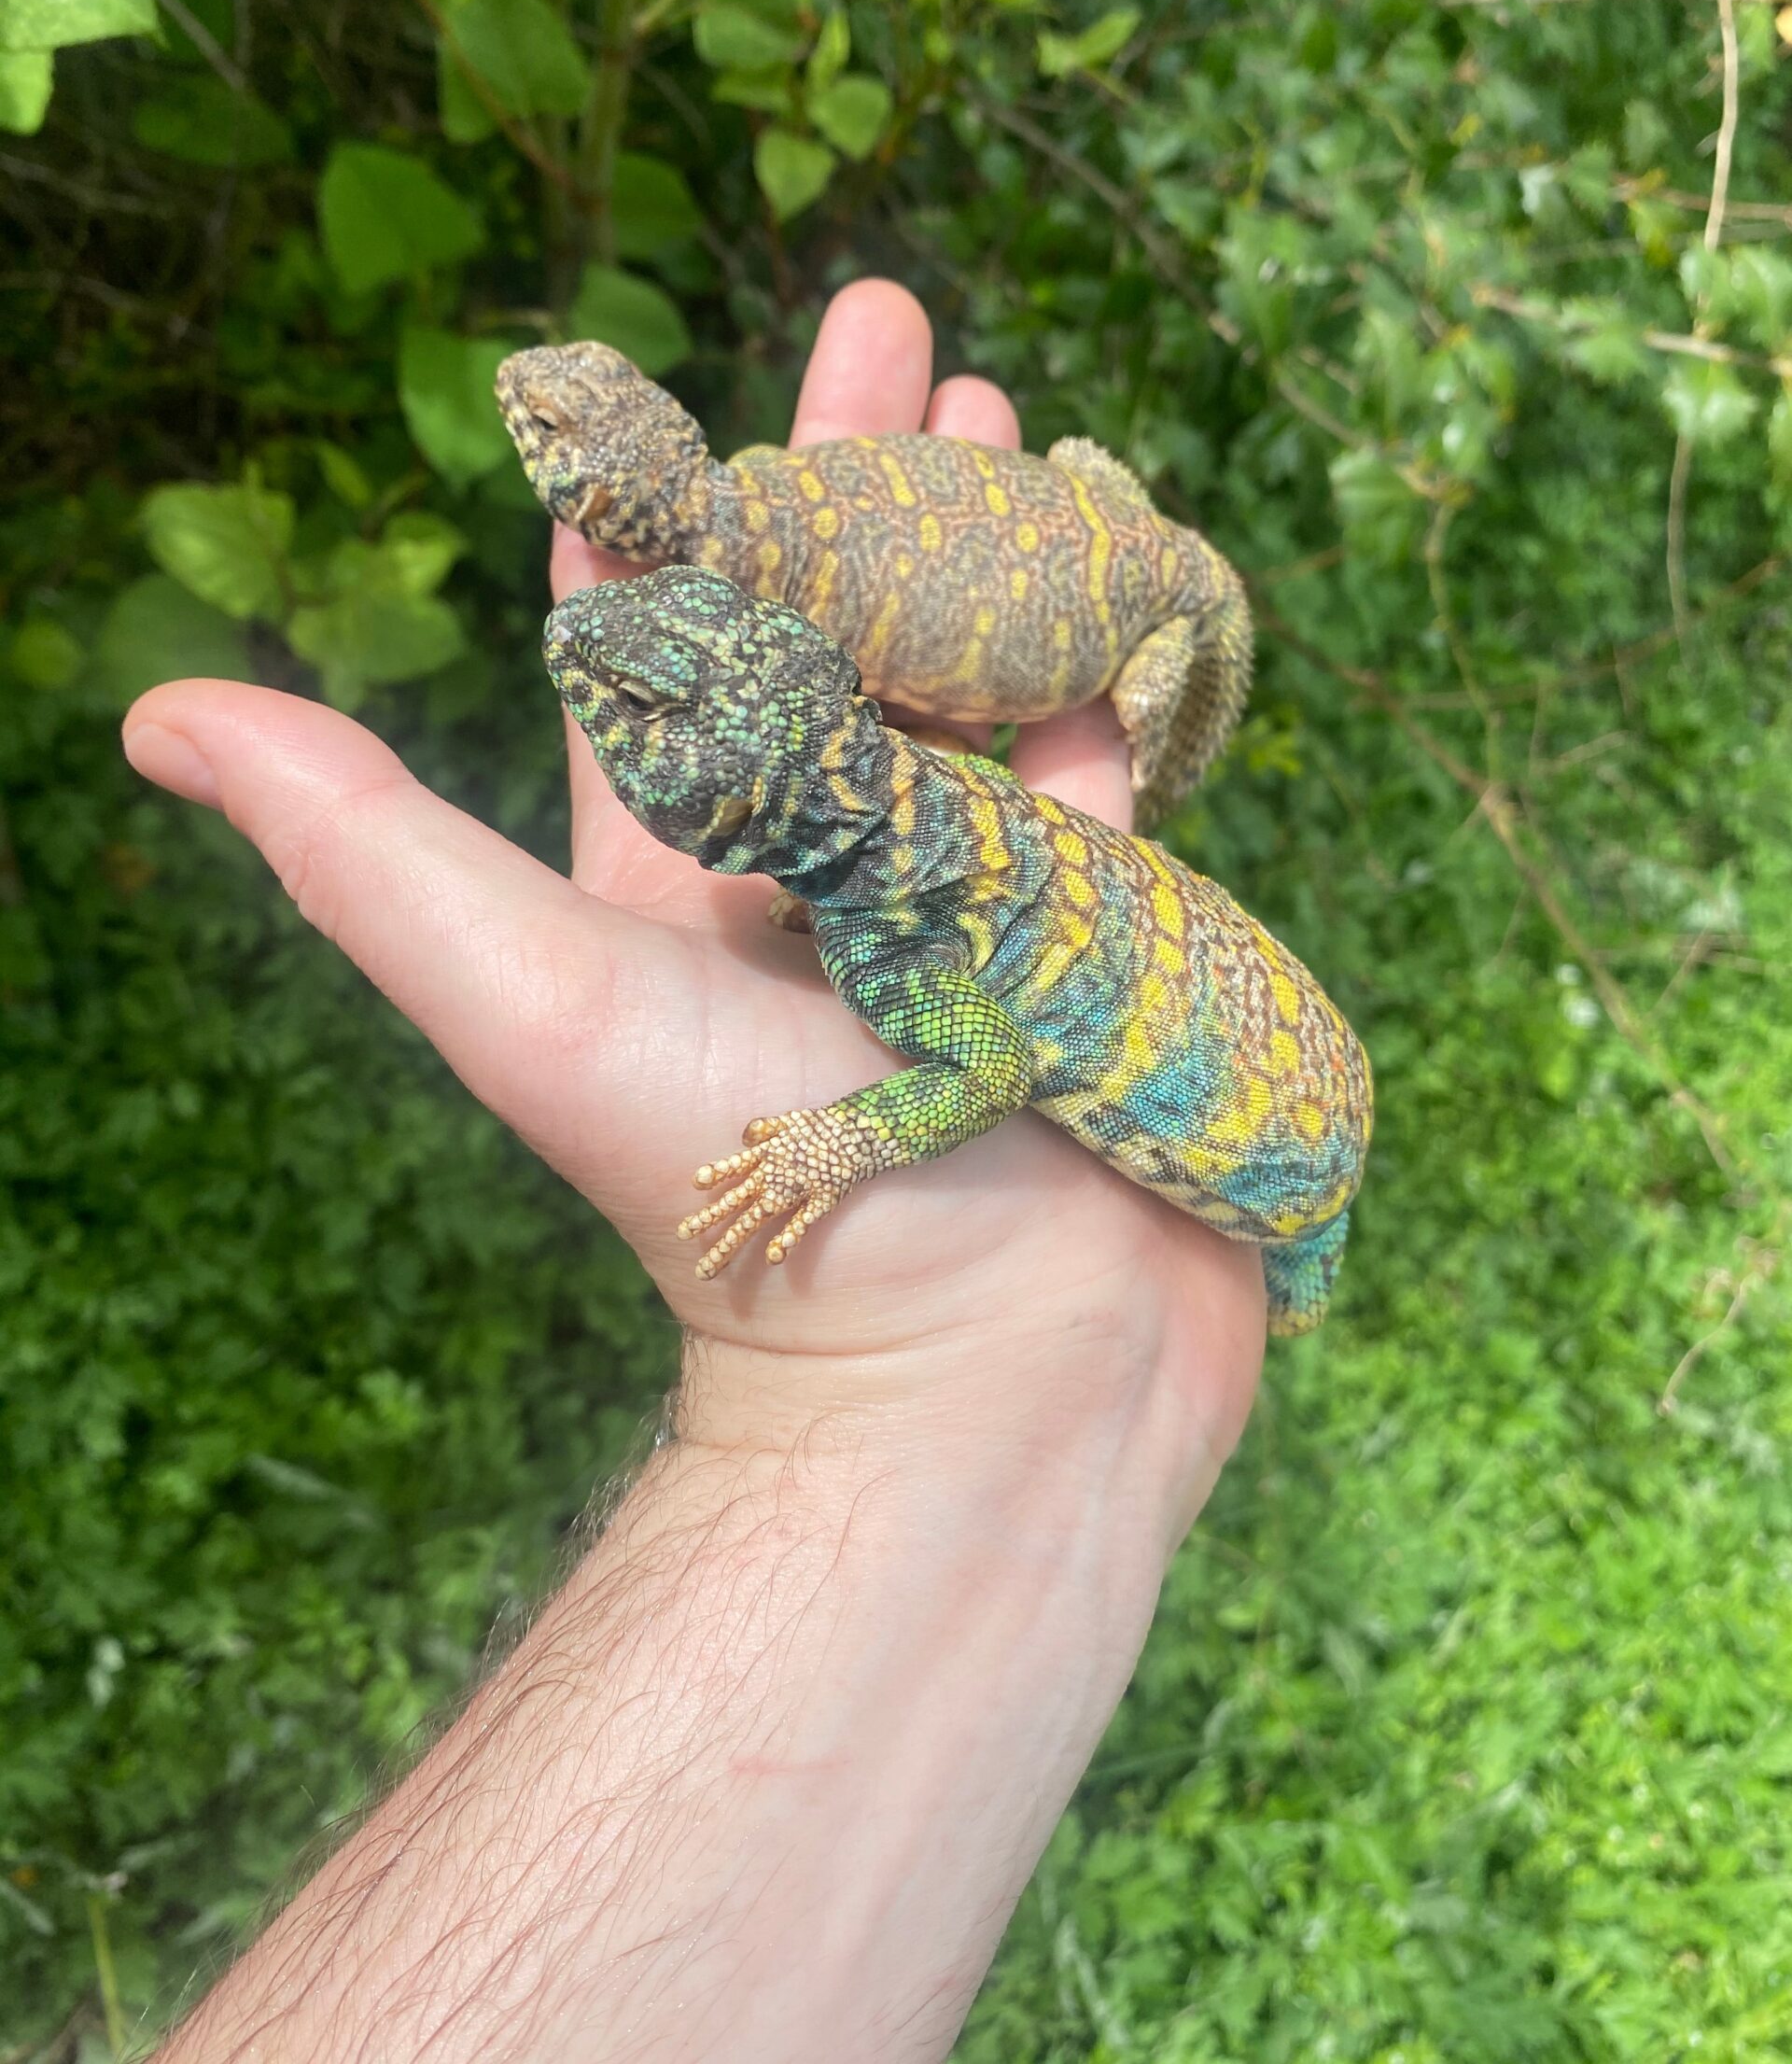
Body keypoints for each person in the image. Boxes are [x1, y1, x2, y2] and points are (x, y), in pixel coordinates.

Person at [124, 280, 1266, 2064]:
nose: (531, 405)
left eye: (570, 418)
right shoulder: (764, 641)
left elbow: (964, 1019)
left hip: (1079, 759)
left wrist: (845, 1122)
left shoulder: (808, 693)